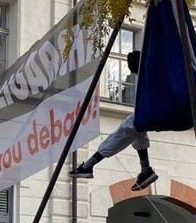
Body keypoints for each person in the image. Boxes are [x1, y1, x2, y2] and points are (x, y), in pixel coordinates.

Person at [68, 51, 158, 191]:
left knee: (127, 128)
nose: (129, 69)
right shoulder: (145, 77)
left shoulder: (149, 76)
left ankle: (89, 165)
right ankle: (146, 170)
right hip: (152, 112)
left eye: (130, 64)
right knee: (137, 133)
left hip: (156, 111)